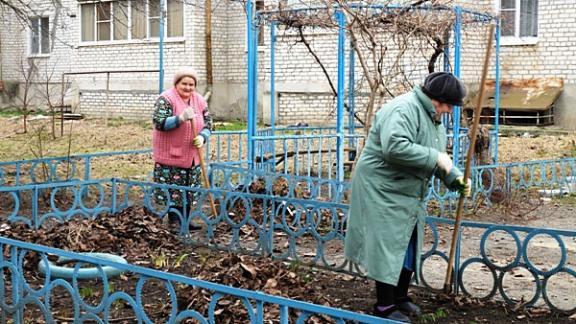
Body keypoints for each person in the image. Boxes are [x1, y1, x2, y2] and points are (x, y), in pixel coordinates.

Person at [344, 72, 471, 323]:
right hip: (381, 188)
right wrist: (436, 158)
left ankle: (400, 297)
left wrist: (453, 178)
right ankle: (384, 307)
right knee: (388, 248)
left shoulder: (432, 118)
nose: (448, 110)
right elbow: (395, 147)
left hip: (406, 190)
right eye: (447, 104)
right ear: (434, 97)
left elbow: (437, 157)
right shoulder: (403, 109)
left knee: (408, 245)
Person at [152, 67, 213, 230]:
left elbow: (208, 124)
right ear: (176, 83)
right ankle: (174, 221)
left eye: (191, 84)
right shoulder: (166, 99)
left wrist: (203, 136)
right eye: (184, 84)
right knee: (174, 191)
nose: (188, 88)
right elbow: (159, 123)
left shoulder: (199, 100)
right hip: (171, 156)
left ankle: (185, 220)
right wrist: (180, 118)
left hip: (192, 156)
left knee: (188, 191)